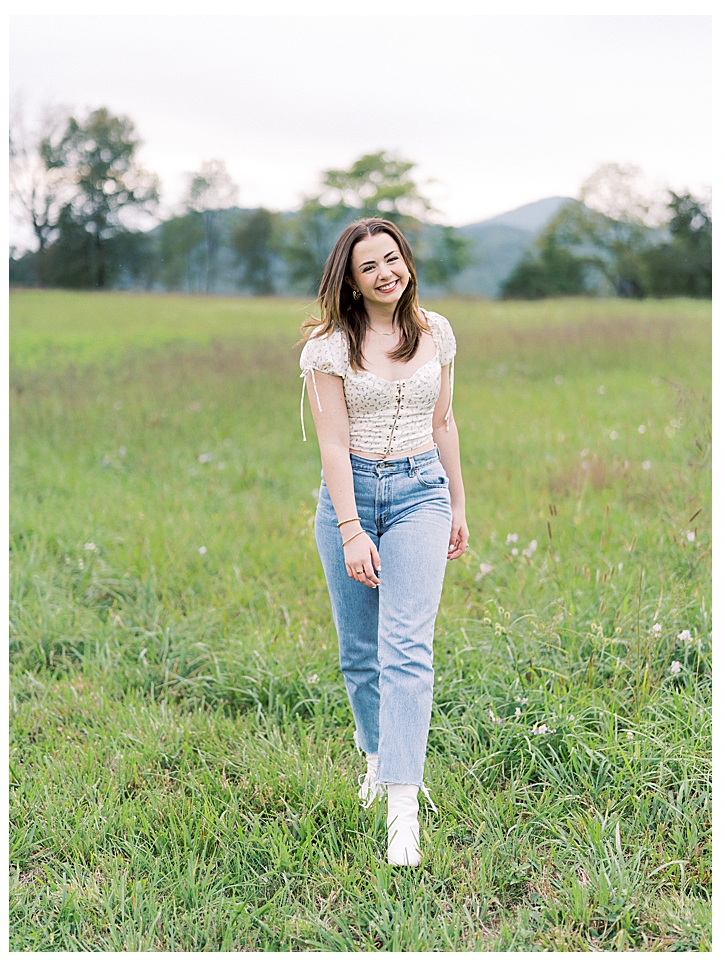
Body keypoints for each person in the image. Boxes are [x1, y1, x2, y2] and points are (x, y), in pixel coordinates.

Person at [299, 217, 469, 867]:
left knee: (407, 646)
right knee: (359, 651)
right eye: (369, 266)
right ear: (350, 278)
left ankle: (404, 806)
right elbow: (333, 445)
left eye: (392, 259)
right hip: (352, 497)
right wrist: (349, 529)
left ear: (406, 262)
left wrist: (457, 500)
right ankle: (375, 757)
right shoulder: (328, 348)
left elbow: (445, 419)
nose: (385, 273)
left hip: (421, 488)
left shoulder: (437, 332)